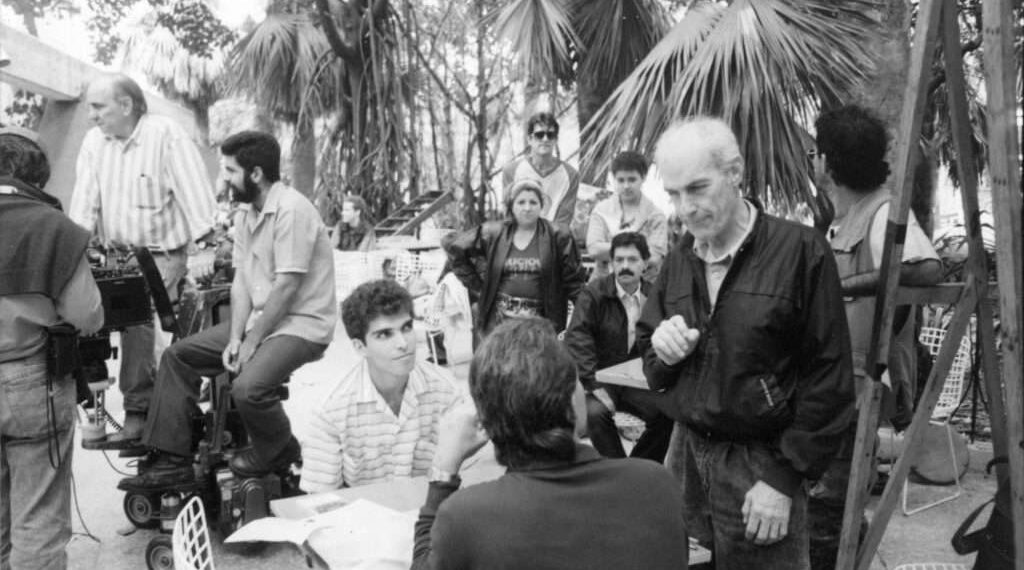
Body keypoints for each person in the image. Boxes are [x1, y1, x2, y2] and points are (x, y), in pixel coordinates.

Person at [638, 117, 855, 569]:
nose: (685, 209)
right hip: (686, 456)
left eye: (697, 188)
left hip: (762, 462)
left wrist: (782, 478)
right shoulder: (680, 259)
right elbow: (650, 361)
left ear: (734, 172)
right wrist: (662, 349)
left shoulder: (801, 252)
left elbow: (829, 380)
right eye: (674, 194)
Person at [119, 131, 336, 486]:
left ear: (256, 174)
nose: (225, 179)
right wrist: (236, 337)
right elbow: (241, 282)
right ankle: (172, 459)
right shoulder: (245, 214)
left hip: (302, 326)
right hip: (262, 323)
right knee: (176, 356)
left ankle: (280, 449)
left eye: (231, 171)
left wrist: (251, 344)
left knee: (247, 389)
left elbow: (287, 287)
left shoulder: (292, 210)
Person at [411, 318, 689, 570]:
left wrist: (443, 471)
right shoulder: (657, 486)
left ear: (486, 419)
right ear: (573, 400)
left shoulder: (467, 518)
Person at [809, 104, 943, 570]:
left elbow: (925, 268)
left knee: (830, 506)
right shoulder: (843, 217)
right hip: (834, 385)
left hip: (861, 384)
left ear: (825, 162)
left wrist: (840, 287)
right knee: (828, 502)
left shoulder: (884, 211)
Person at [68, 73, 218, 443]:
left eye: (98, 106)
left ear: (127, 105)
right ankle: (95, 408)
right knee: (85, 322)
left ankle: (138, 411)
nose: (91, 115)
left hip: (161, 256)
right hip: (114, 256)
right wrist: (72, 256)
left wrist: (208, 244)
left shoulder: (165, 134)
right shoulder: (93, 142)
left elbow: (194, 191)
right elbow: (84, 204)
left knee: (138, 323)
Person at [0, 127, 104, 570]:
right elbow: (89, 315)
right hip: (31, 382)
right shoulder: (53, 228)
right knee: (38, 517)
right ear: (37, 178)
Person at [300, 280, 458, 492]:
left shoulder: (445, 392)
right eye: (384, 334)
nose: (403, 343)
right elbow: (321, 501)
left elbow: (467, 481)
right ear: (360, 347)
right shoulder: (331, 411)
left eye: (407, 327)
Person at [565, 232, 672, 461]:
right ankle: (614, 470)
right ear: (612, 262)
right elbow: (577, 339)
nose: (625, 266)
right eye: (619, 260)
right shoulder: (594, 294)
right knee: (595, 413)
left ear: (645, 263)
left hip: (639, 382)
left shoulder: (656, 296)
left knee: (668, 413)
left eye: (632, 260)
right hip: (602, 379)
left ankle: (638, 468)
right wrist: (594, 385)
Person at [443, 178, 586, 338]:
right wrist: (480, 288)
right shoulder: (493, 232)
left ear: (541, 205)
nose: (527, 208)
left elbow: (575, 282)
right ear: (512, 205)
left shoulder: (559, 235)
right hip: (499, 322)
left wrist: (587, 316)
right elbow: (455, 249)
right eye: (521, 202)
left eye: (533, 202)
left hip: (543, 324)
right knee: (500, 362)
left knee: (539, 362)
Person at [586, 151, 668, 280]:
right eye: (621, 180)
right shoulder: (601, 210)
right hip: (602, 285)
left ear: (644, 177)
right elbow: (594, 250)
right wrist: (638, 250)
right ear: (613, 178)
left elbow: (654, 258)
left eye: (632, 179)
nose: (626, 186)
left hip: (643, 288)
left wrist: (610, 249)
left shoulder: (655, 216)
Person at [501, 112, 579, 230]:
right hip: (519, 236)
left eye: (550, 135)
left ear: (556, 140)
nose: (545, 139)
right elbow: (509, 213)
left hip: (553, 239)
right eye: (539, 135)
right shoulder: (511, 171)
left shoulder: (571, 175)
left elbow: (563, 221)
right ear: (529, 139)